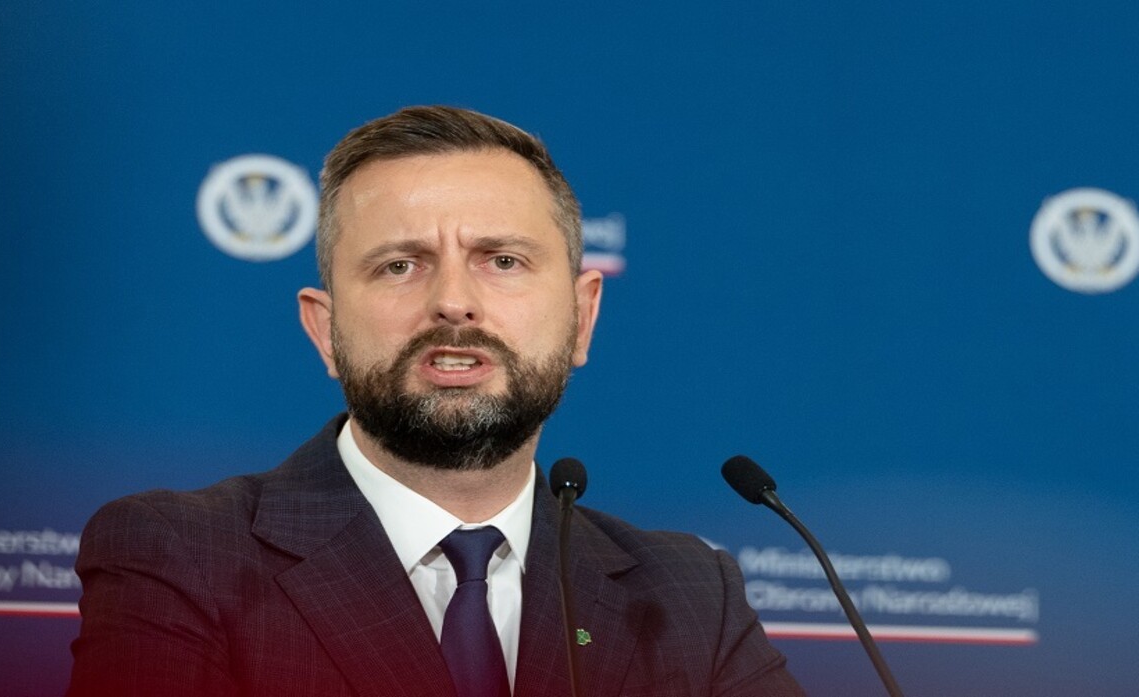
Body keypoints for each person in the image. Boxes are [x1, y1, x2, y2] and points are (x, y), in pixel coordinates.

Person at [67, 105, 804, 697]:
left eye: (502, 260)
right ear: (325, 331)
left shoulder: (688, 594)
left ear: (583, 318)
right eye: (399, 265)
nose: (454, 301)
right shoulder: (182, 557)